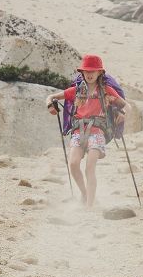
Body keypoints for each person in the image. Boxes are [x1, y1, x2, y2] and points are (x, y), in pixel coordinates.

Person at [46, 54, 130, 208]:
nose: (90, 74)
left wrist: (122, 113)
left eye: (93, 71)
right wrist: (50, 105)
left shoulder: (107, 90)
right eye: (86, 71)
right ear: (82, 73)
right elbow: (52, 97)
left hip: (98, 132)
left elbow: (126, 105)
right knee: (73, 164)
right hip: (78, 131)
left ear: (100, 73)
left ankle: (89, 207)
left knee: (90, 166)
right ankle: (85, 194)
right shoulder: (75, 90)